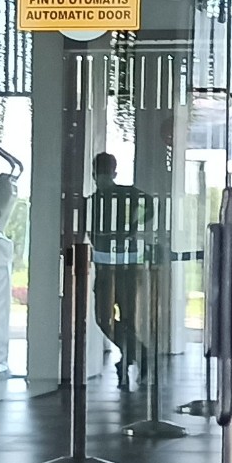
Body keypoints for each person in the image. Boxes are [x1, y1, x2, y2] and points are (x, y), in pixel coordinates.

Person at [85, 152, 153, 390]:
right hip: (110, 266)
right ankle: (139, 354)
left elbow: (151, 205)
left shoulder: (126, 195)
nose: (101, 177)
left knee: (122, 318)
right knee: (106, 319)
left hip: (122, 266)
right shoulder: (92, 202)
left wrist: (133, 228)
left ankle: (130, 358)